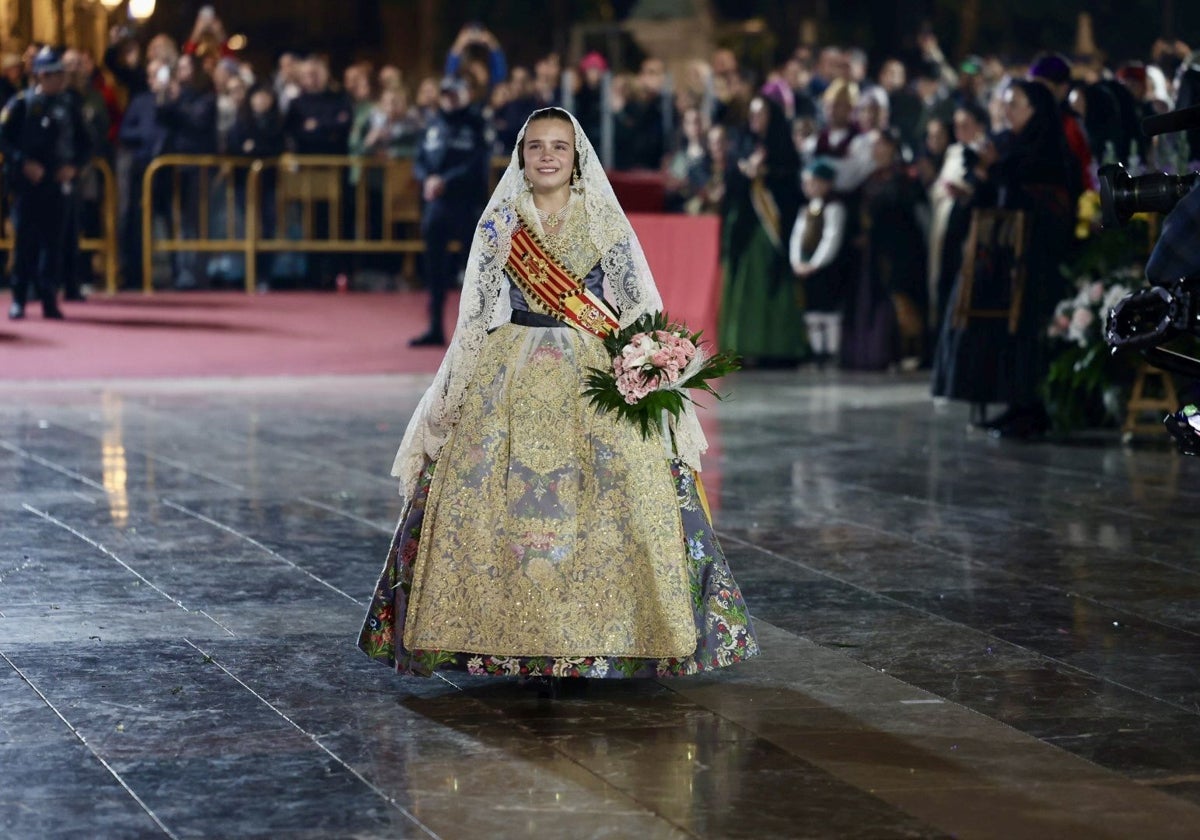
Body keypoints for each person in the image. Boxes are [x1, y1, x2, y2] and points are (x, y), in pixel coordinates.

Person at [357, 106, 758, 686]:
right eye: (536, 146)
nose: (547, 156)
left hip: (592, 372)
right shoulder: (499, 225)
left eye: (559, 147)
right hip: (510, 364)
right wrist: (447, 395)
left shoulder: (604, 221)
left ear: (577, 159)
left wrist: (650, 365)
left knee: (623, 489)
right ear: (521, 156)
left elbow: (636, 304)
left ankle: (619, 635)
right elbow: (473, 317)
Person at [932, 80, 1076, 436]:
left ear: (1035, 111)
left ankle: (1032, 408)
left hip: (1035, 262)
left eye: (1015, 105)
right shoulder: (1007, 145)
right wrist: (983, 174)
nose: (1006, 112)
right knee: (1001, 335)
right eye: (1006, 104)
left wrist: (999, 172)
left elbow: (1038, 198)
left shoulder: (1046, 149)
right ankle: (1011, 403)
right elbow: (990, 195)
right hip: (1002, 258)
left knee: (1027, 332)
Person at [2, 47, 91, 320]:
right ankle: (19, 298)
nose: (58, 80)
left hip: (56, 182)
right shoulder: (22, 103)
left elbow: (86, 143)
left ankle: (49, 298)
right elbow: (4, 139)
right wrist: (22, 162)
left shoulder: (69, 105)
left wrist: (73, 167)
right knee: (25, 243)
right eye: (52, 74)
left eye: (59, 74)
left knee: (54, 245)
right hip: (28, 185)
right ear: (40, 76)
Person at [719, 93, 806, 366]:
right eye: (752, 114)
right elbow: (730, 182)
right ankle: (744, 345)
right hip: (745, 228)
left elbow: (791, 185)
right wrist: (745, 174)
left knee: (772, 283)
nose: (755, 119)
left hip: (771, 231)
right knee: (745, 285)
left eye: (761, 114)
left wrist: (766, 173)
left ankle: (777, 346)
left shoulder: (783, 149)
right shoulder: (742, 145)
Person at [408, 76, 489, 347]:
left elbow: (477, 163)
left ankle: (480, 330)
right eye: (445, 94)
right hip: (437, 206)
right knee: (434, 267)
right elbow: (419, 159)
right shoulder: (433, 124)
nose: (449, 99)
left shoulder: (476, 125)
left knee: (477, 269)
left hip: (467, 204)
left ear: (465, 95)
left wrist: (446, 181)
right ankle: (434, 327)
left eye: (454, 94)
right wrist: (427, 179)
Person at [789, 158, 848, 364]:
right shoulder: (807, 208)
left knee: (829, 310)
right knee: (812, 311)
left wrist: (815, 263)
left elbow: (831, 238)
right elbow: (797, 236)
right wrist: (797, 261)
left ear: (826, 183)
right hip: (806, 267)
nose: (808, 187)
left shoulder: (834, 207)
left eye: (813, 182)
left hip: (826, 269)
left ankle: (831, 352)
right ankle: (817, 352)